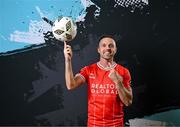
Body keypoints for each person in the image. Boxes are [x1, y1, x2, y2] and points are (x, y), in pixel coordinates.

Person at [64, 35, 133, 127]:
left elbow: (128, 102)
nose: (107, 48)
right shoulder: (88, 70)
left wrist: (117, 82)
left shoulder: (123, 72)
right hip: (94, 124)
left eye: (111, 45)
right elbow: (70, 85)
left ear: (115, 50)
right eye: (103, 45)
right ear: (98, 50)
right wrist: (68, 61)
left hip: (116, 124)